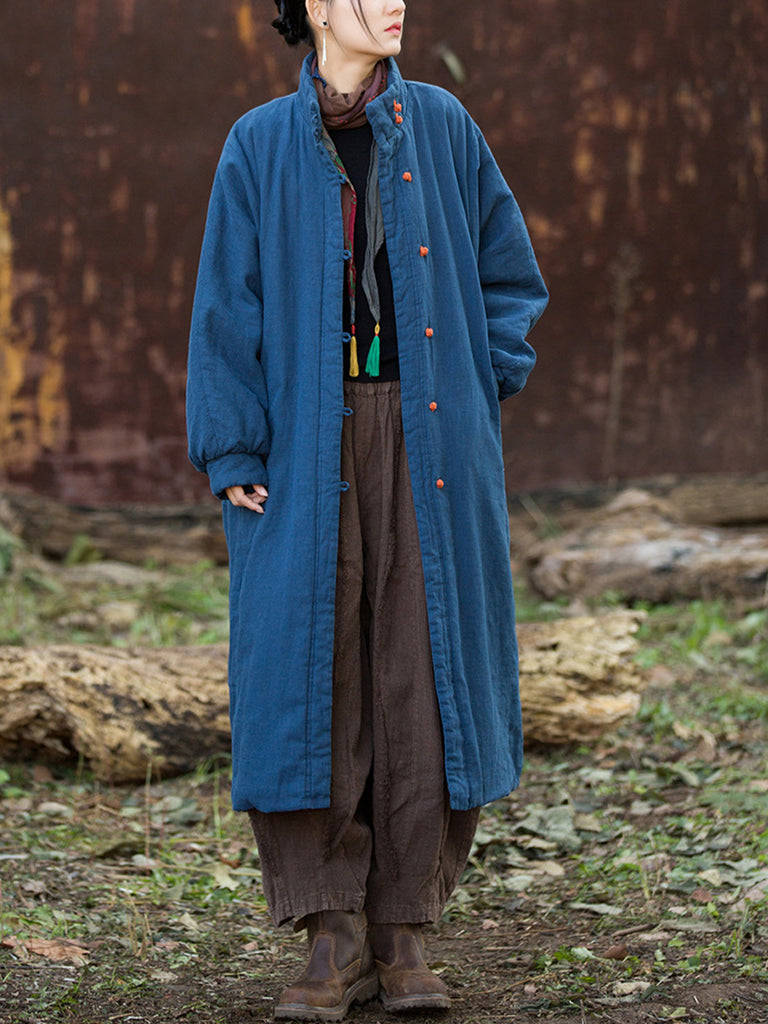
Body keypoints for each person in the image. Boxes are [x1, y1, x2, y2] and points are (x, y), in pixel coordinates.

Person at [186, 0, 548, 1018]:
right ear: (310, 5)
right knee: (308, 667)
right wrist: (232, 441)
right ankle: (330, 931)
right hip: (304, 439)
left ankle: (404, 929)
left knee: (427, 668)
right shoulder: (258, 143)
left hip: (430, 436)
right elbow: (225, 302)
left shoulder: (445, 126)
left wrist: (480, 379)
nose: (393, 2)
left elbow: (509, 272)